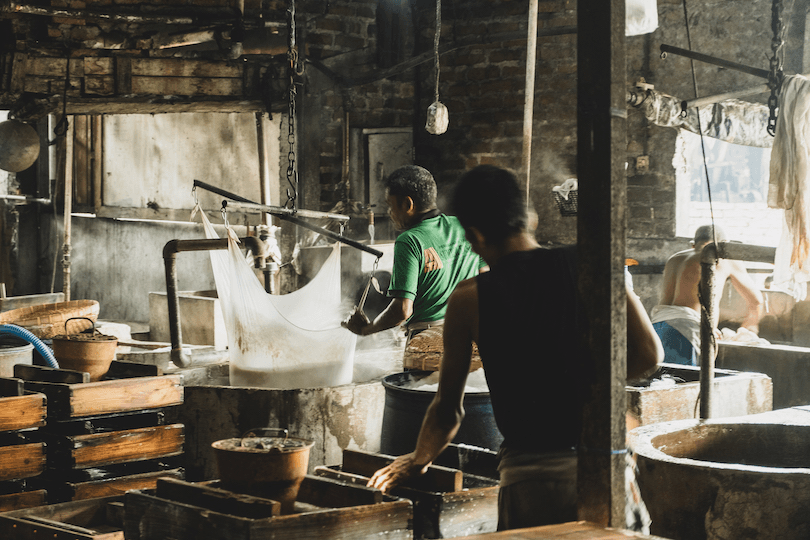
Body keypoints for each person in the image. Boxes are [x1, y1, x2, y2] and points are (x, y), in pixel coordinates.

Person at [366, 165, 663, 530]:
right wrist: (582, 381)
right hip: (606, 472)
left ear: (475, 235)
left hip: (532, 485)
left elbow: (447, 412)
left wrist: (419, 459)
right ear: (530, 220)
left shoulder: (469, 300)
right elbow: (650, 355)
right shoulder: (592, 265)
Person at [343, 165, 485, 341]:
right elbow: (484, 278)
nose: (390, 213)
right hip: (470, 332)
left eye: (390, 205)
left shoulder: (410, 240)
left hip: (427, 339)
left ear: (407, 204)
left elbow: (402, 310)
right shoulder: (461, 225)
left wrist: (366, 329)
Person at [651, 224, 763, 366]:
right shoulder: (723, 258)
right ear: (724, 245)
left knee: (661, 383)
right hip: (686, 329)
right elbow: (756, 301)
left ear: (693, 244)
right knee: (685, 383)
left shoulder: (674, 258)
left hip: (657, 326)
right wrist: (749, 328)